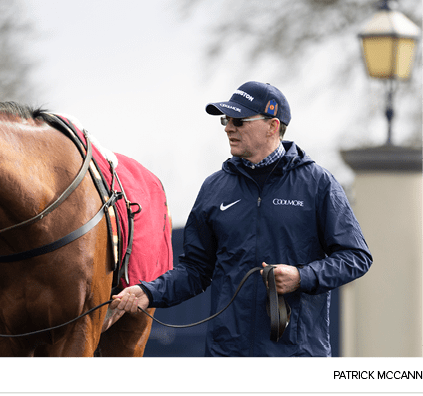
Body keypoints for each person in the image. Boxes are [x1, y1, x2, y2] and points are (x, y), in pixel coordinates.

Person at [109, 81, 372, 357]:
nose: (228, 127)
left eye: (239, 120)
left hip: (297, 356)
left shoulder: (318, 184)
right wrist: (147, 292)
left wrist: (301, 277)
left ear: (272, 126)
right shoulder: (214, 188)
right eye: (226, 119)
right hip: (227, 356)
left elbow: (356, 257)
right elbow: (196, 270)